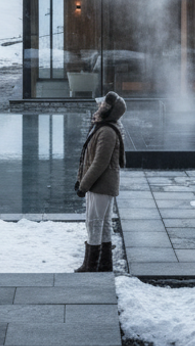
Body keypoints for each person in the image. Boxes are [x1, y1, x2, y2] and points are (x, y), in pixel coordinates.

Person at [73, 91, 126, 273]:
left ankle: (91, 265)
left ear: (109, 110)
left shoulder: (107, 131)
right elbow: (88, 158)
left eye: (104, 104)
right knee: (101, 224)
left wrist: (84, 185)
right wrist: (81, 180)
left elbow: (99, 163)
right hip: (98, 185)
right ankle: (103, 265)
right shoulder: (102, 127)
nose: (100, 105)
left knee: (95, 223)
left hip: (101, 186)